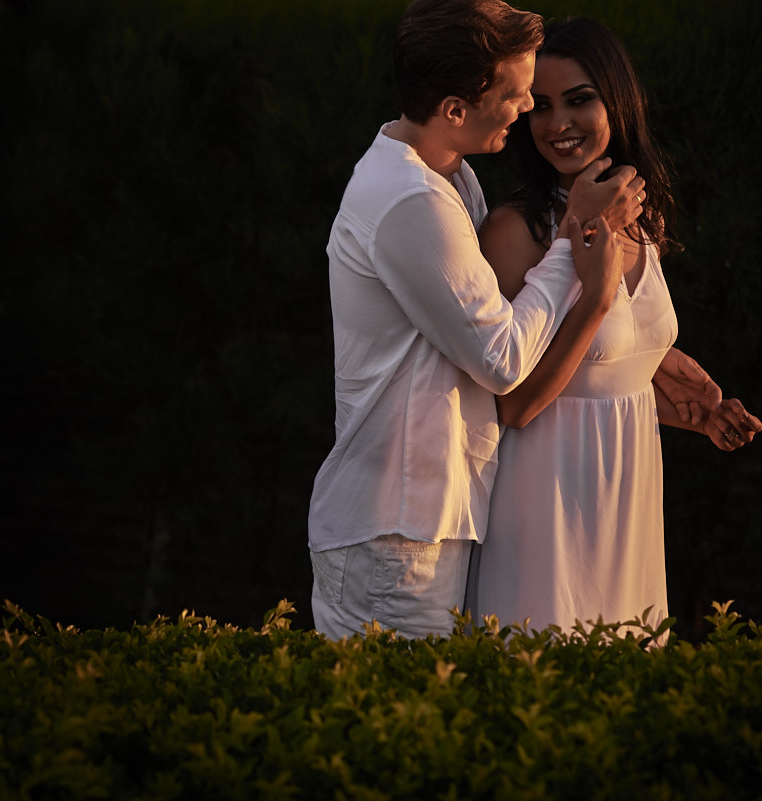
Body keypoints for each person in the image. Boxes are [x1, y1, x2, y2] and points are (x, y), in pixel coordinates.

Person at [306, 0, 646, 640]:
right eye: (518, 94)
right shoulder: (410, 200)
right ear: (456, 110)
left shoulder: (448, 176)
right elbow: (500, 356)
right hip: (397, 538)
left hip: (426, 522)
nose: (526, 109)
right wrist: (572, 240)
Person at [468, 17, 761, 635]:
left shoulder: (640, 219)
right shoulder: (516, 232)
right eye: (540, 107)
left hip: (626, 496)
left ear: (618, 102)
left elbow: (600, 369)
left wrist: (672, 397)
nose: (557, 124)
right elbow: (516, 404)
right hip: (544, 504)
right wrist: (592, 285)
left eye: (579, 100)